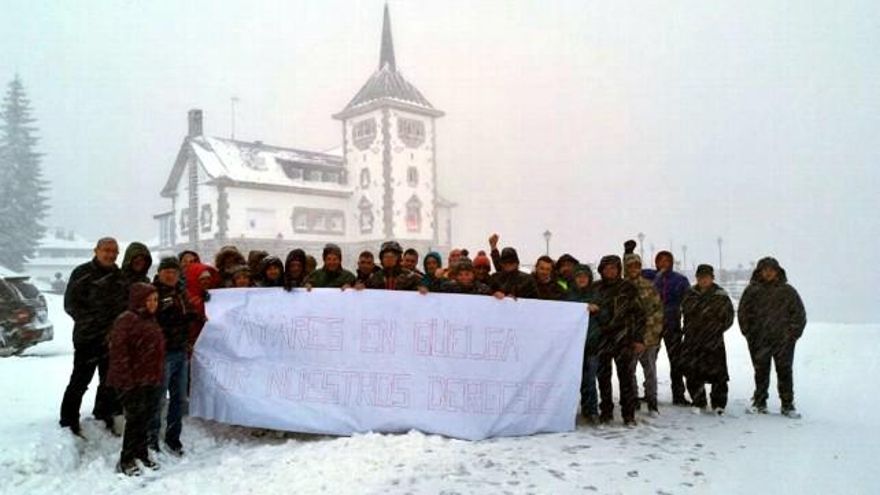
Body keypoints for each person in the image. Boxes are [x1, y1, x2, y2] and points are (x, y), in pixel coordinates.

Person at [60, 237, 128, 436]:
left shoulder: (120, 276)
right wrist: (97, 325)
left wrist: (116, 329)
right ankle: (68, 420)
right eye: (106, 250)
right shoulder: (82, 273)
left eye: (114, 251)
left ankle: (104, 415)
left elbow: (125, 307)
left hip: (113, 339)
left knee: (109, 381)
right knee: (80, 380)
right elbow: (71, 305)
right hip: (88, 338)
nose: (110, 254)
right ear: (96, 251)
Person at [738, 257, 806, 417]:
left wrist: (791, 335)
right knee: (761, 372)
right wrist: (749, 334)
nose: (768, 273)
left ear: (777, 272)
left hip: (783, 341)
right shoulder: (751, 291)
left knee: (784, 372)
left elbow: (799, 315)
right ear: (760, 272)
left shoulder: (788, 291)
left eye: (771, 269)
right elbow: (743, 314)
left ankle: (787, 405)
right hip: (759, 340)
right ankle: (760, 402)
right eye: (765, 270)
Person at [107, 282, 164, 476]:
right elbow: (119, 353)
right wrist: (127, 381)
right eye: (149, 300)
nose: (153, 303)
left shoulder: (151, 320)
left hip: (148, 379)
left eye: (155, 299)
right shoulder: (127, 320)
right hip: (131, 381)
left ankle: (141, 454)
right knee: (134, 420)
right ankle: (126, 459)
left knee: (144, 419)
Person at [149, 257, 196, 456]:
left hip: (181, 351)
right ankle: (151, 440)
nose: (170, 275)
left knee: (179, 399)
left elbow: (188, 316)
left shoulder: (181, 292)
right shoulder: (152, 293)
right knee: (158, 399)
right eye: (166, 271)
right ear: (159, 273)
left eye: (174, 272)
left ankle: (173, 438)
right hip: (162, 354)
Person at [594, 255, 646, 427]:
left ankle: (628, 414)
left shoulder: (628, 288)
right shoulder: (596, 288)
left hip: (624, 339)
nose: (610, 271)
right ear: (601, 270)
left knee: (626, 378)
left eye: (613, 268)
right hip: (602, 338)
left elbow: (639, 315)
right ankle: (606, 411)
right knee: (603, 378)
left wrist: (638, 338)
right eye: (606, 268)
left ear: (619, 270)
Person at [681, 264, 735, 415]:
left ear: (712, 278)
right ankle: (699, 401)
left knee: (718, 374)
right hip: (693, 340)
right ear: (697, 278)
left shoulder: (720, 295)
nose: (703, 280)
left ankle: (718, 403)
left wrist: (716, 329)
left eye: (706, 277)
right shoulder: (690, 293)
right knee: (693, 372)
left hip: (714, 340)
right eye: (700, 277)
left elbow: (729, 317)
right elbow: (685, 313)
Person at [623, 254, 664, 415]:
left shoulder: (649, 287)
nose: (634, 269)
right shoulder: (622, 287)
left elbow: (657, 313)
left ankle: (652, 402)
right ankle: (633, 400)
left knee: (650, 373)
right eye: (630, 266)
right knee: (629, 373)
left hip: (649, 340)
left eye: (636, 266)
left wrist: (646, 339)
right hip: (628, 340)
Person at [566, 264, 604, 423]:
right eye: (578, 276)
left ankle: (592, 410)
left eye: (585, 276)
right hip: (572, 347)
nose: (582, 279)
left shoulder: (596, 295)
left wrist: (598, 310)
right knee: (571, 381)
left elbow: (606, 317)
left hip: (591, 344)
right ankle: (568, 411)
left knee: (589, 380)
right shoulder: (568, 296)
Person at [653, 250, 691, 405]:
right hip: (653, 325)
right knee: (649, 361)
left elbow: (689, 303)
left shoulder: (680, 280)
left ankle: (678, 394)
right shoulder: (650, 277)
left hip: (672, 324)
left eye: (666, 261)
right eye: (660, 261)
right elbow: (629, 272)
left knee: (676, 361)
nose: (663, 263)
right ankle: (650, 393)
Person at [183, 262, 220, 353]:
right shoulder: (188, 299)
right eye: (202, 279)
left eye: (208, 278)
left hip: (212, 341)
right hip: (195, 342)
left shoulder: (214, 296)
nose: (206, 281)